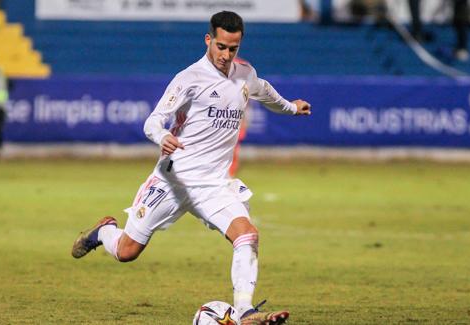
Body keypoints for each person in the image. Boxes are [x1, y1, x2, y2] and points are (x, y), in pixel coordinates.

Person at [71, 11, 311, 325]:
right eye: (222, 47)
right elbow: (152, 121)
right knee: (127, 251)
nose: (226, 55)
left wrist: (291, 107)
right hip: (173, 181)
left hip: (213, 185)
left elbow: (263, 91)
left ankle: (245, 310)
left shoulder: (244, 74)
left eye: (233, 48)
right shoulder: (189, 78)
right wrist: (163, 136)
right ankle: (103, 232)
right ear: (209, 40)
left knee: (247, 235)